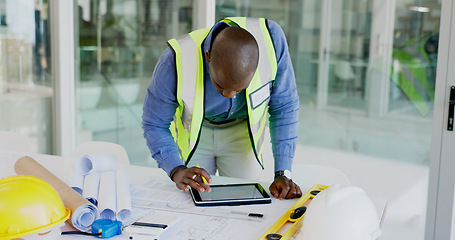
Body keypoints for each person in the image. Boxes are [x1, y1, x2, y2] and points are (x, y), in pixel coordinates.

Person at [142, 17, 301, 199]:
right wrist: (176, 169)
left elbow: (284, 107)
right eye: (221, 85)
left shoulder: (272, 41)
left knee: (245, 200)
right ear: (208, 56)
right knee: (191, 199)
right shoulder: (174, 59)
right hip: (197, 134)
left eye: (238, 89)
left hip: (242, 131)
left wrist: (283, 173)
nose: (229, 94)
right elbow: (154, 123)